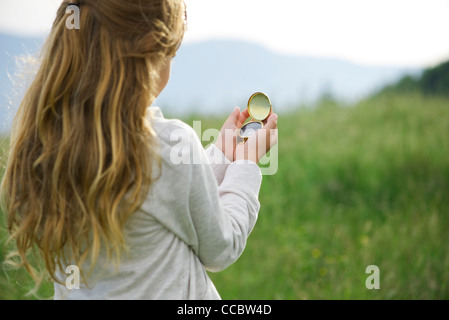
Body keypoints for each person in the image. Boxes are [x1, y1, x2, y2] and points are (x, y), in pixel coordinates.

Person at [0, 0, 278, 299]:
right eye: (170, 54)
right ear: (149, 54)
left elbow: (163, 198)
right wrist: (245, 165)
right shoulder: (170, 144)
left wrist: (222, 155)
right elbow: (221, 248)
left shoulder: (47, 144)